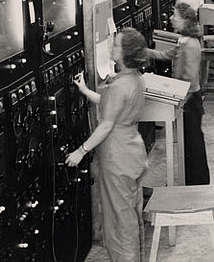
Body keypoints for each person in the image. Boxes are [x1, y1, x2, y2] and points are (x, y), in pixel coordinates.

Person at [66, 28, 149, 262]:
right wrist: (84, 90)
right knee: (129, 214)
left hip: (117, 157)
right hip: (132, 151)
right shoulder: (134, 79)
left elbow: (106, 125)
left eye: (116, 46)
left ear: (125, 53)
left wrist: (80, 151)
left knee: (118, 219)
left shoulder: (120, 85)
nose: (112, 48)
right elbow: (109, 103)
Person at [147, 3, 210, 185]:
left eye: (175, 16)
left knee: (192, 141)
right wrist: (145, 52)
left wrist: (175, 98)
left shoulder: (190, 44)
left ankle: (197, 182)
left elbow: (188, 79)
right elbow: (167, 55)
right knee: (188, 141)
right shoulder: (184, 40)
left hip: (189, 100)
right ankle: (190, 179)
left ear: (185, 20)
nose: (171, 18)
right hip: (186, 98)